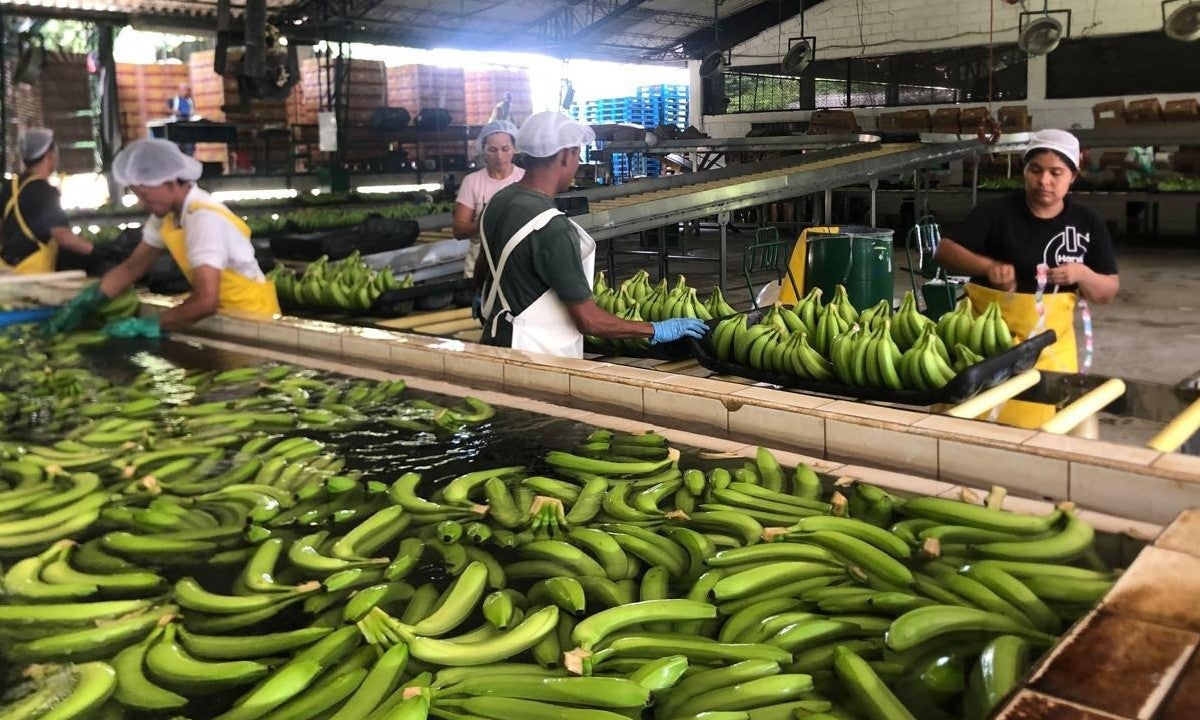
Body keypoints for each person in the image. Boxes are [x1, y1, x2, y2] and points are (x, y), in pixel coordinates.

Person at [476, 111, 708, 358]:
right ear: (566, 155)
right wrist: (654, 329)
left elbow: (483, 271)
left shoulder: (498, 202)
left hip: (495, 341)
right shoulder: (551, 227)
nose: (577, 165)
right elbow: (589, 321)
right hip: (535, 355)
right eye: (577, 156)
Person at [934, 128, 1120, 428]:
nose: (1044, 181)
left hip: (1052, 352)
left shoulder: (1087, 223)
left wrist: (1082, 273)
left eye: (1056, 173)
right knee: (976, 425)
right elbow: (944, 251)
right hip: (984, 348)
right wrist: (987, 267)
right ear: (1024, 170)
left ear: (1073, 175)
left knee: (1047, 430)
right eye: (1036, 170)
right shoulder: (996, 213)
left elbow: (1107, 291)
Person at [42, 138, 279, 338]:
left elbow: (207, 301)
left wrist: (149, 324)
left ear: (169, 182)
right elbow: (133, 267)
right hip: (222, 315)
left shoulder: (202, 219)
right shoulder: (166, 216)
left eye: (145, 195)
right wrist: (89, 301)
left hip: (252, 319)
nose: (142, 203)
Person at [0, 128, 94, 274]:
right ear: (49, 155)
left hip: (6, 272)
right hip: (35, 275)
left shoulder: (9, 187)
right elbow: (62, 236)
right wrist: (97, 251)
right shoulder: (46, 192)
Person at [453, 119, 524, 281]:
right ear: (482, 150)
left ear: (515, 149)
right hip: (480, 267)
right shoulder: (472, 182)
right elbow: (459, 230)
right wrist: (486, 224)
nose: (499, 156)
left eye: (505, 149)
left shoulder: (525, 178)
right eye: (492, 150)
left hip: (518, 264)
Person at [167, 83, 196, 156]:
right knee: (177, 147)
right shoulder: (173, 100)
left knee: (189, 148)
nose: (186, 91)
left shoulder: (190, 100)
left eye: (187, 90)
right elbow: (167, 110)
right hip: (177, 126)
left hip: (188, 126)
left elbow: (192, 111)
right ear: (179, 90)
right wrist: (176, 112)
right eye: (184, 89)